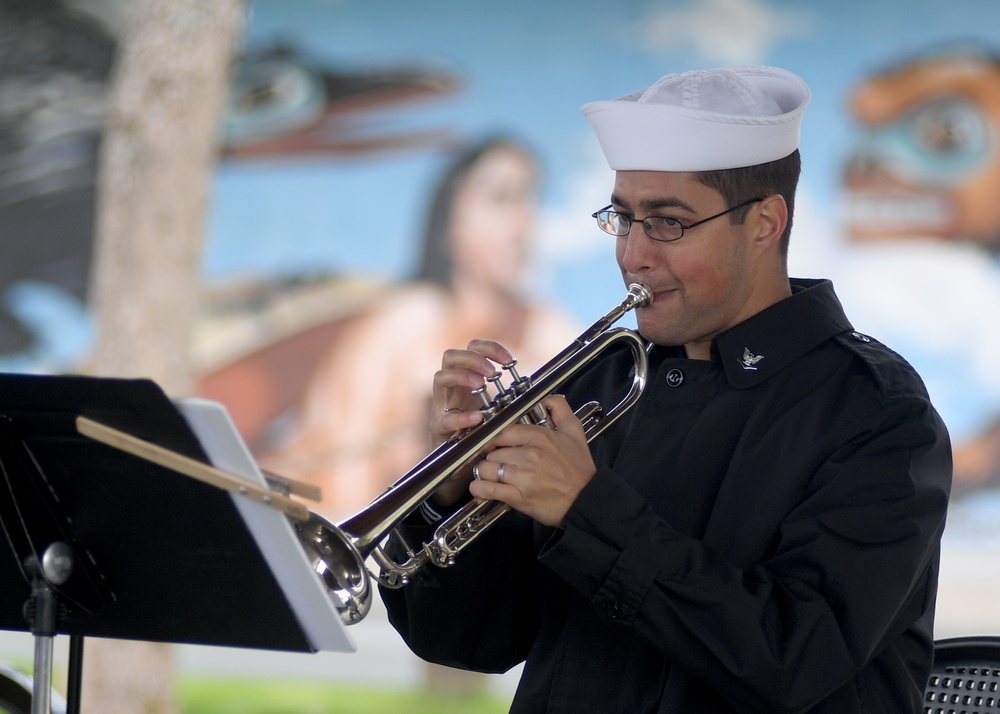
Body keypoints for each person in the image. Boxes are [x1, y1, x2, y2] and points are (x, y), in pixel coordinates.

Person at [379, 66, 952, 713]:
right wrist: (450, 493)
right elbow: (466, 640)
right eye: (623, 220)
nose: (633, 255)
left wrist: (587, 510)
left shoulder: (878, 413)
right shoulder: (598, 380)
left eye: (668, 223)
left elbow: (795, 659)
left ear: (765, 223)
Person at [259, 136, 578, 517]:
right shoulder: (406, 320)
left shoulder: (551, 328)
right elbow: (342, 467)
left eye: (530, 197)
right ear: (449, 218)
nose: (521, 219)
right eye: (500, 197)